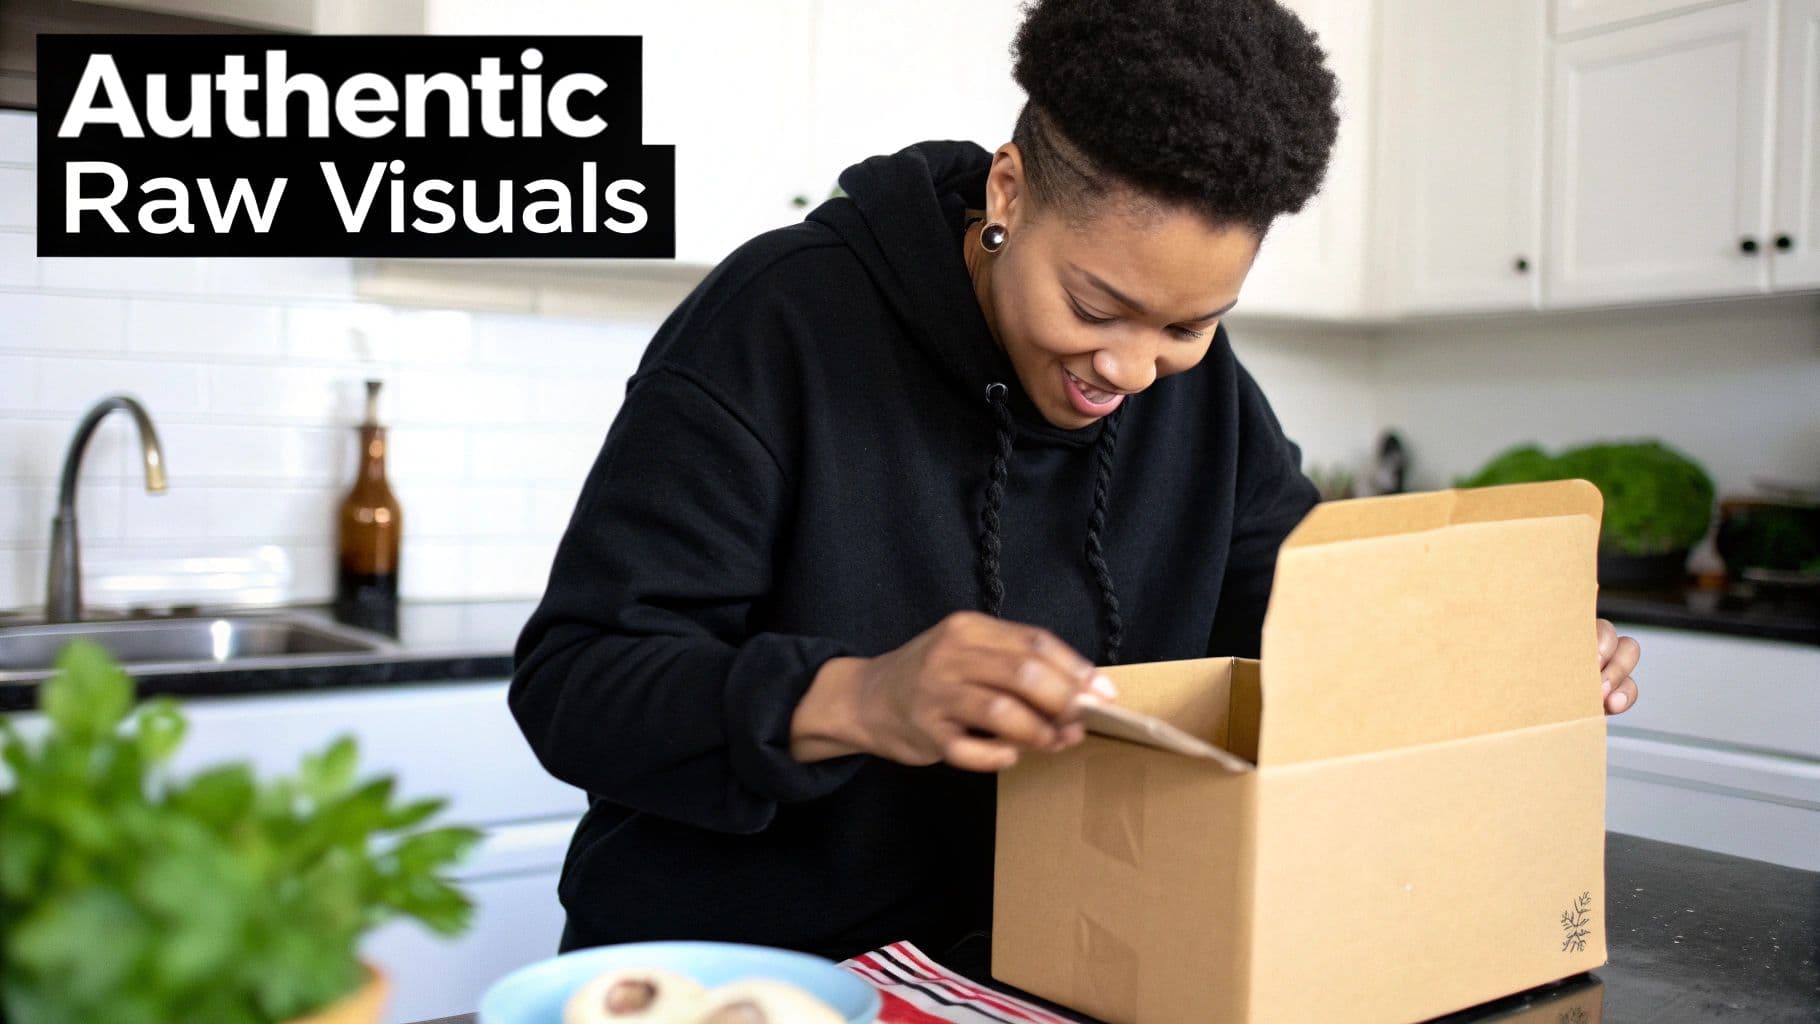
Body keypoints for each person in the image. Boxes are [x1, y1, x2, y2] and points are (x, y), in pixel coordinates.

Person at [510, 0, 1644, 971]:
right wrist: (857, 697)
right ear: (1007, 190)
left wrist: (1499, 656)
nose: (1131, 369)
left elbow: (1314, 624)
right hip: (746, 976)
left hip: (1040, 969)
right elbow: (577, 681)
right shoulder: (784, 322)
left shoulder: (1197, 396)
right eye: (1095, 308)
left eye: (1190, 324)